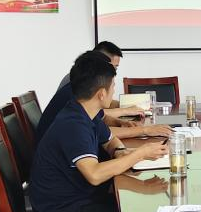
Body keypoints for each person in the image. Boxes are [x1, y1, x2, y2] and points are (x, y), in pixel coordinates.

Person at [30, 51, 167, 212]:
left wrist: (120, 151)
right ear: (102, 94)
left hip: (80, 197)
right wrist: (139, 154)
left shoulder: (86, 112)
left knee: (139, 206)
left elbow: (109, 140)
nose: (113, 91)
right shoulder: (73, 124)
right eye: (113, 86)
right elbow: (94, 175)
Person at [38, 41, 166, 142]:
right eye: (111, 67)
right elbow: (96, 135)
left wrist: (120, 123)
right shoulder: (78, 89)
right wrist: (144, 131)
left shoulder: (84, 87)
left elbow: (100, 122)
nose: (113, 73)